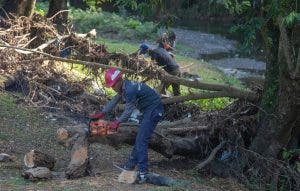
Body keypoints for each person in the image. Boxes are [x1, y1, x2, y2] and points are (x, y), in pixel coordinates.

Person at [90, 68, 164, 183]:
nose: (113, 88)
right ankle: (130, 165)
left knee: (141, 140)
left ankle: (143, 173)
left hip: (154, 110)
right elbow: (115, 100)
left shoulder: (129, 90)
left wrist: (117, 122)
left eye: (113, 85)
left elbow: (128, 111)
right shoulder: (124, 87)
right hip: (148, 110)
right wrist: (103, 112)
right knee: (140, 138)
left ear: (119, 81)